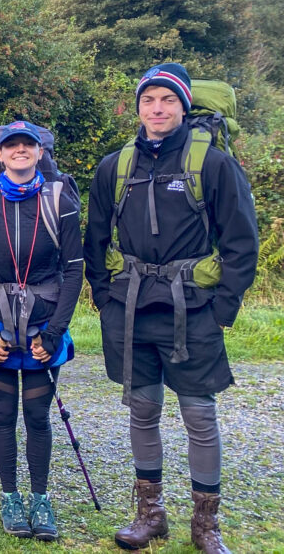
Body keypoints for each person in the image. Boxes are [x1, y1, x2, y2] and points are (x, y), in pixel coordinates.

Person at [84, 64, 258, 554]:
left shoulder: (214, 164)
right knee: (142, 410)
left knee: (199, 414)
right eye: (148, 101)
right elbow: (94, 241)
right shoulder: (114, 167)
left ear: (183, 106)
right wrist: (103, 298)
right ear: (137, 108)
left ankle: (205, 526)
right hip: (131, 308)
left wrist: (224, 307)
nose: (157, 109)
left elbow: (242, 240)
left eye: (167, 100)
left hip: (194, 309)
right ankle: (150, 515)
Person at [0, 120, 82, 542]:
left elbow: (74, 268)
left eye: (27, 144)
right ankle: (10, 496)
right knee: (4, 412)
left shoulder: (59, 196)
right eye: (10, 145)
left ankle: (41, 497)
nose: (19, 151)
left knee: (37, 415)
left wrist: (55, 333)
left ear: (39, 151)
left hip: (44, 320)